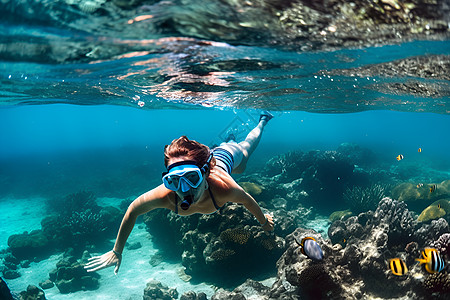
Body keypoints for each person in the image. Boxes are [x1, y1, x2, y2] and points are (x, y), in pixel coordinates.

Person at [85, 112, 275, 274]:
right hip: (208, 161)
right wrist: (117, 251)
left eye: (192, 178)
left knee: (245, 152)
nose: (184, 190)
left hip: (227, 156)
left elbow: (249, 202)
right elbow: (133, 209)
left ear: (205, 173)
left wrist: (264, 222)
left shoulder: (224, 188)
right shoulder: (166, 195)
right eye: (174, 180)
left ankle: (262, 121)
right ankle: (231, 138)